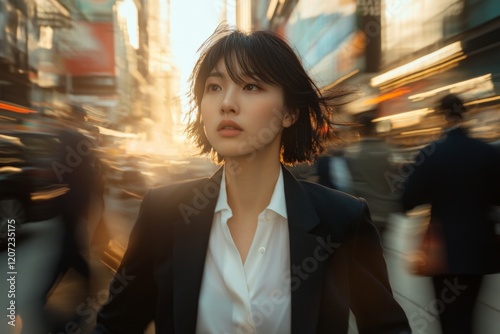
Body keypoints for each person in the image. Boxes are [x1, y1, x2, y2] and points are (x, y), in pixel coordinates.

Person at [94, 25, 410, 334]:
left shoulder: (341, 220)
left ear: (289, 112)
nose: (226, 103)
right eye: (214, 87)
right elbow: (116, 324)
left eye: (251, 87)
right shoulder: (163, 213)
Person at [401, 93, 500, 334]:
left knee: (449, 318)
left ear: (440, 116)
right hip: (480, 247)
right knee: (469, 314)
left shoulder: (431, 153)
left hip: (444, 251)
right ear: (464, 113)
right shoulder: (487, 152)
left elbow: (407, 201)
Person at [345, 110, 400, 238]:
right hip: (385, 212)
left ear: (359, 131)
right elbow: (397, 180)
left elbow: (346, 184)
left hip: (361, 212)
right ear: (375, 128)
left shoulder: (352, 154)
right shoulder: (389, 151)